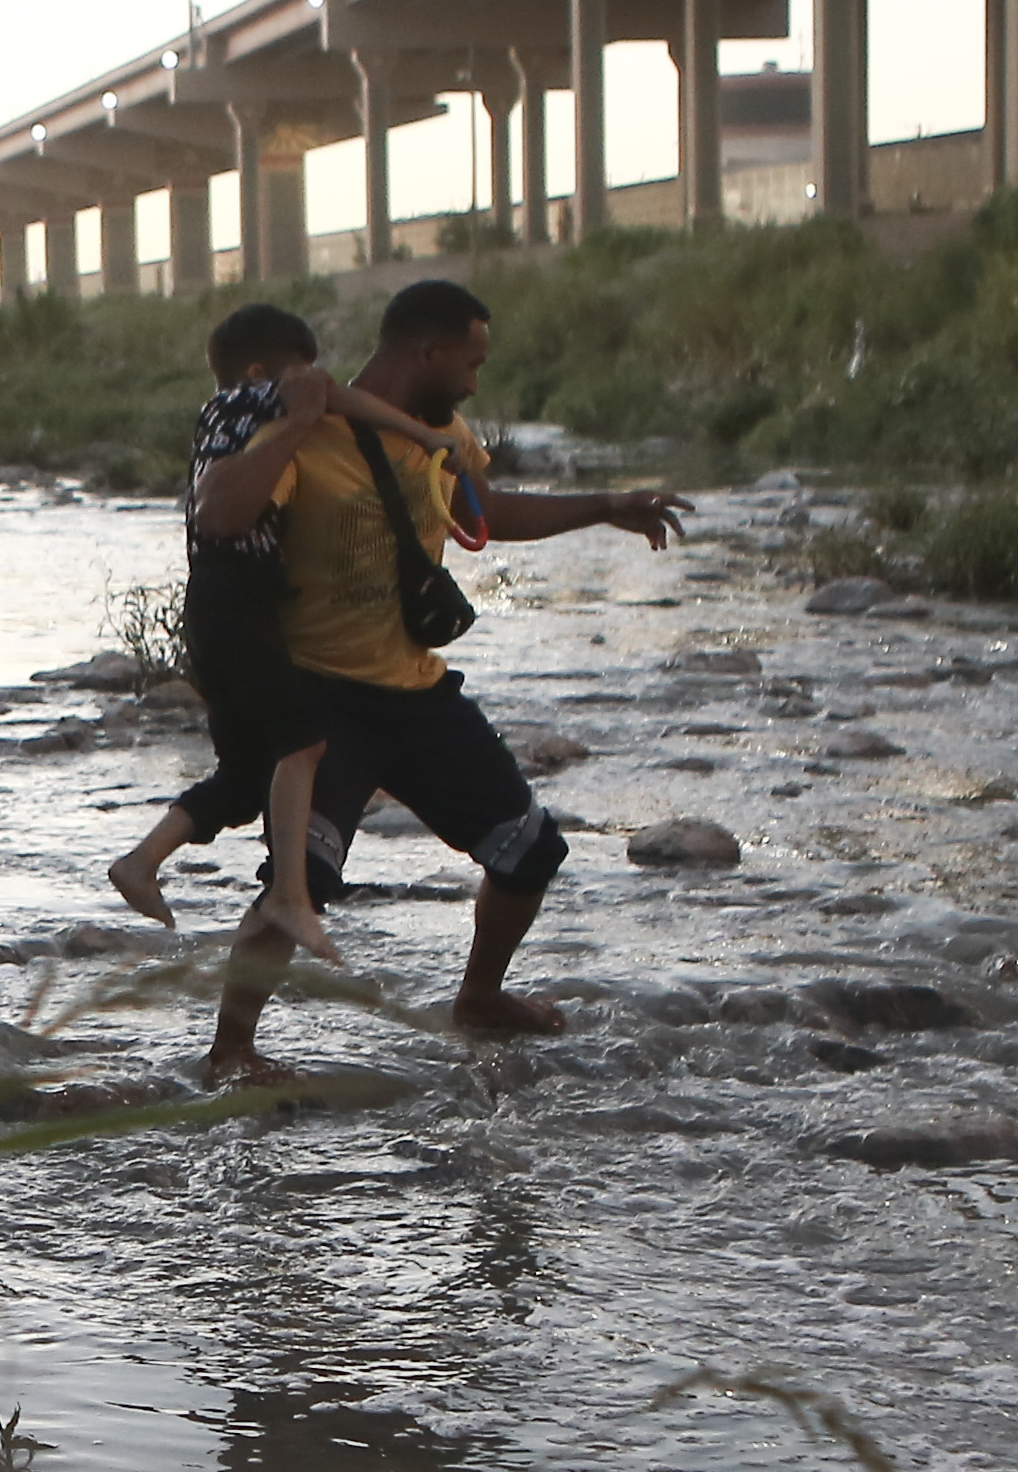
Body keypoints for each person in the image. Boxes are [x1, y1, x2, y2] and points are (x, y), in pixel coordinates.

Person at [191, 277, 683, 1085]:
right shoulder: (307, 426)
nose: (473, 382)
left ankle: (480, 997)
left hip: (416, 694)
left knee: (530, 853)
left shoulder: (444, 433)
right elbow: (218, 514)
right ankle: (230, 1050)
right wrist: (293, 427)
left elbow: (484, 509)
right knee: (298, 882)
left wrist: (605, 505)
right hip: (320, 700)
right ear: (426, 352)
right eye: (470, 362)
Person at [106, 303, 466, 951]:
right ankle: (292, 898)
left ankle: (140, 862)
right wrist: (425, 433)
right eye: (301, 372)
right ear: (258, 371)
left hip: (218, 604)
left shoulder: (223, 412)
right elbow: (339, 399)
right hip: (236, 599)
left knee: (245, 776)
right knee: (302, 744)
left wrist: (424, 437)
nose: (314, 384)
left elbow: (338, 401)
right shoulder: (257, 400)